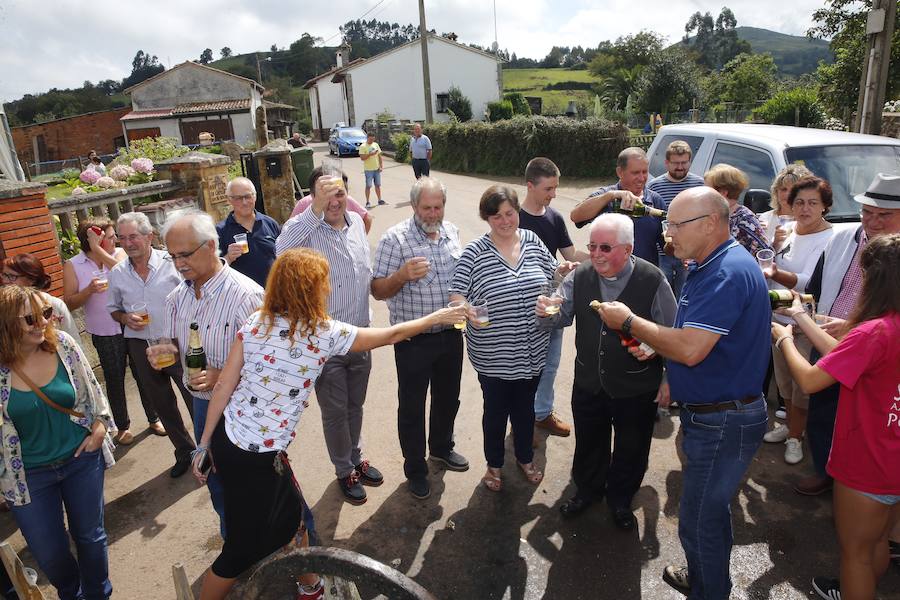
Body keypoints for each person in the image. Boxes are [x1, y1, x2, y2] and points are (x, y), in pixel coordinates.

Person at [190, 248, 466, 600]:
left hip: (231, 444)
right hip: (256, 459)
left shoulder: (257, 322)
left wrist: (204, 443)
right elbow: (392, 334)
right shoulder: (322, 333)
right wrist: (436, 317)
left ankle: (310, 586)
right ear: (308, 288)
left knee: (294, 520)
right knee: (242, 550)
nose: (329, 289)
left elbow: (224, 386)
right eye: (324, 283)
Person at [593, 187, 770, 599]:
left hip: (722, 419)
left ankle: (709, 590)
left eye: (676, 223)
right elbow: (694, 338)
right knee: (708, 511)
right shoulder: (708, 264)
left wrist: (631, 323)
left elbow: (691, 348)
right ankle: (708, 578)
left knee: (698, 517)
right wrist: (658, 346)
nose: (668, 233)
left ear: (710, 223)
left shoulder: (725, 272)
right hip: (714, 413)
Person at [772, 233, 900, 600]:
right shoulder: (881, 329)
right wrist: (808, 320)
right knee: (876, 541)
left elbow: (813, 380)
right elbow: (846, 362)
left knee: (855, 555)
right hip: (893, 457)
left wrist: (784, 338)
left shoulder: (875, 332)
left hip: (867, 460)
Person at [537, 214, 676, 529]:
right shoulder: (580, 276)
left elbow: (672, 332)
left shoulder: (652, 279)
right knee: (589, 443)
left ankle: (621, 500)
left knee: (632, 447)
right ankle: (587, 491)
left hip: (637, 387)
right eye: (592, 246)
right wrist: (546, 312)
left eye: (604, 247)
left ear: (627, 250)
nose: (596, 254)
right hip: (589, 381)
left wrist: (668, 377)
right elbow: (559, 317)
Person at [449, 185, 576, 493]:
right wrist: (465, 310)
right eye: (496, 216)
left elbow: (552, 280)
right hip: (494, 354)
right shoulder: (475, 252)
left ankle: (524, 458)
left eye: (509, 213)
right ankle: (494, 466)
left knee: (525, 411)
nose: (505, 221)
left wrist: (559, 280)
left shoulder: (532, 241)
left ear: (517, 211)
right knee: (495, 412)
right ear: (486, 218)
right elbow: (455, 294)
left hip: (533, 348)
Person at [149, 209, 264, 530]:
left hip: (247, 409)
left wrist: (223, 376)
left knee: (264, 482)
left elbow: (272, 363)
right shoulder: (176, 298)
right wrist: (162, 352)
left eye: (185, 254)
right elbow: (173, 347)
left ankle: (298, 553)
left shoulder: (247, 296)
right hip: (203, 405)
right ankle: (235, 542)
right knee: (215, 478)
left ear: (211, 246)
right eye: (172, 256)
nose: (179, 263)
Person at [0, 285, 115, 600]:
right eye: (30, 318)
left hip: (81, 460)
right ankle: (71, 592)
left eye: (46, 313)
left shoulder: (63, 345)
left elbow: (93, 392)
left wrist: (100, 428)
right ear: (7, 324)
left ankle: (98, 594)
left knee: (91, 537)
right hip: (29, 476)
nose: (42, 323)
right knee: (48, 551)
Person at [276, 169, 383, 505]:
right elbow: (281, 250)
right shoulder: (306, 231)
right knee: (335, 410)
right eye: (326, 193)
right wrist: (314, 209)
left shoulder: (355, 226)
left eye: (339, 193)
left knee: (356, 404)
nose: (334, 201)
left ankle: (355, 456)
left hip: (360, 336)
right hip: (325, 341)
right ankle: (344, 470)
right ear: (313, 197)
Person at [797, 172, 900, 497]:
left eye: (884, 215)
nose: (873, 221)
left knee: (870, 419)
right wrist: (814, 317)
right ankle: (826, 471)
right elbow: (817, 282)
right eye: (867, 212)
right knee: (824, 410)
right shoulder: (843, 237)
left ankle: (862, 487)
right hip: (831, 333)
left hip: (874, 345)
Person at [371, 177, 468, 500]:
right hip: (413, 339)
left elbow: (461, 280)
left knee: (448, 397)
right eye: (426, 207)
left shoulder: (452, 231)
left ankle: (441, 448)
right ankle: (415, 469)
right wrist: (401, 276)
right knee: (412, 406)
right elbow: (377, 289)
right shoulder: (394, 239)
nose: (432, 213)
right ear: (414, 206)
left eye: (437, 206)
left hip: (450, 334)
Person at [106, 212, 196, 478]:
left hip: (176, 341)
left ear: (149, 236)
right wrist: (124, 317)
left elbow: (194, 296)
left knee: (195, 396)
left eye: (133, 236)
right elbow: (113, 309)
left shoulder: (173, 263)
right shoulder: (117, 273)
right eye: (122, 238)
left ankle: (210, 451)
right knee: (162, 403)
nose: (128, 242)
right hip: (141, 346)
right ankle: (184, 452)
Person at [63, 217, 160, 445]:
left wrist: (98, 248)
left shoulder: (119, 255)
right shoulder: (73, 264)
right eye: (108, 236)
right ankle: (122, 426)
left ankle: (154, 418)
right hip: (104, 331)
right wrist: (88, 290)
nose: (115, 239)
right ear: (92, 239)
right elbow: (68, 302)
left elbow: (121, 271)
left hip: (132, 324)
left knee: (144, 374)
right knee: (114, 379)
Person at [762, 176, 834, 466]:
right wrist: (771, 245)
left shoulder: (829, 238)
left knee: (803, 386)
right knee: (785, 383)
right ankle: (790, 427)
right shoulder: (788, 230)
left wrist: (774, 272)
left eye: (812, 203)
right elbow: (765, 257)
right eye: (799, 202)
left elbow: (807, 283)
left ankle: (796, 437)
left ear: (825, 207)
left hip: (804, 322)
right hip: (778, 318)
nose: (804, 209)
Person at [518, 157, 585, 439]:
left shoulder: (554, 217)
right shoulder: (513, 219)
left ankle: (542, 413)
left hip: (552, 298)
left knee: (551, 361)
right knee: (522, 365)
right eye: (549, 188)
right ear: (530, 185)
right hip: (520, 303)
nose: (554, 194)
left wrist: (603, 257)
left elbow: (570, 255)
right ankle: (521, 418)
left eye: (556, 187)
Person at [570, 147, 667, 266]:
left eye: (645, 172)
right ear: (620, 172)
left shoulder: (656, 200)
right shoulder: (606, 196)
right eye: (635, 173)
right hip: (609, 279)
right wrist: (611, 195)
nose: (642, 178)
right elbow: (575, 216)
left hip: (644, 279)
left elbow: (666, 248)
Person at [647, 140, 705, 296]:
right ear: (666, 163)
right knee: (662, 295)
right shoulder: (654, 186)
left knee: (685, 295)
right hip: (662, 254)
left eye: (684, 162)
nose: (680, 167)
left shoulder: (699, 184)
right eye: (676, 163)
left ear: (690, 162)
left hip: (689, 253)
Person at [216, 177, 281, 287]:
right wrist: (228, 258)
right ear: (229, 200)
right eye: (238, 198)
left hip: (273, 294)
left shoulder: (270, 224)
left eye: (247, 196)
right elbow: (213, 272)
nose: (244, 202)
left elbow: (283, 257)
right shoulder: (220, 231)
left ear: (255, 197)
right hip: (241, 298)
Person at [2, 253, 79, 340]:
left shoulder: (54, 304)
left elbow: (74, 339)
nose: (5, 281)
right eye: (4, 275)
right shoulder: (4, 307)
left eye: (12, 276)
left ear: (31, 279)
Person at [704, 163, 772, 257]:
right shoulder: (713, 215)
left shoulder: (745, 220)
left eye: (708, 190)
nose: (704, 194)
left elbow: (766, 254)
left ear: (723, 193)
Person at [289, 168, 373, 234]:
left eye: (339, 194)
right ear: (313, 196)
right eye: (326, 195)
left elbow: (367, 218)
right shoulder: (304, 203)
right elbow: (284, 243)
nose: (334, 203)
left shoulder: (356, 221)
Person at [758, 164, 813, 248]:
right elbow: (761, 256)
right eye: (784, 189)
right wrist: (775, 244)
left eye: (794, 190)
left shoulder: (813, 220)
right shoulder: (765, 220)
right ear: (776, 192)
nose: (788, 194)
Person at [358, 130, 386, 208]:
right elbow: (362, 158)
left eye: (373, 139)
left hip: (376, 169)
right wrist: (370, 154)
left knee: (377, 185)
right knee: (368, 186)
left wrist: (381, 166)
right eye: (370, 139)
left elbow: (379, 156)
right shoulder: (363, 146)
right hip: (368, 170)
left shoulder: (376, 145)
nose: (372, 141)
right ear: (367, 138)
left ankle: (380, 200)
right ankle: (367, 202)